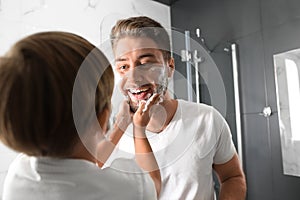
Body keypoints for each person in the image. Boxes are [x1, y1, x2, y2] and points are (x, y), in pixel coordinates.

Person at [0, 31, 161, 200]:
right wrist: (139, 130)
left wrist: (120, 126)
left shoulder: (19, 173)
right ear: (103, 118)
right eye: (123, 66)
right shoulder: (130, 189)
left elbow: (80, 161)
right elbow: (153, 184)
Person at [107, 16, 247, 200]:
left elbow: (233, 177)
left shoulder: (207, 119)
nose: (134, 77)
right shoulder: (112, 138)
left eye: (146, 63)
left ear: (170, 67)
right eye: (124, 66)